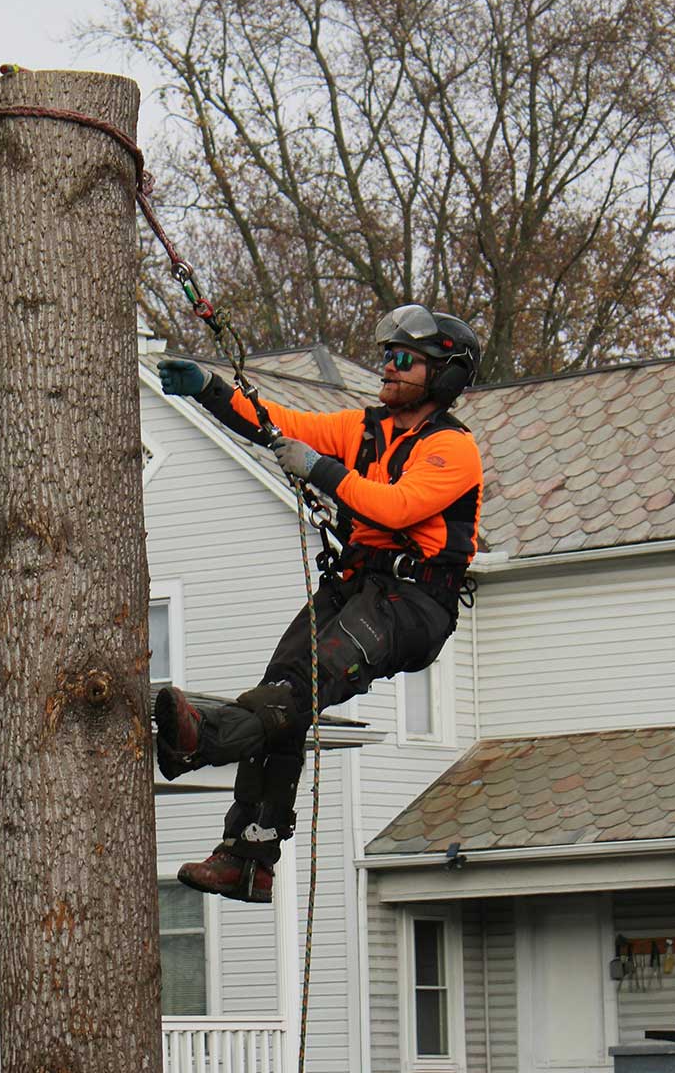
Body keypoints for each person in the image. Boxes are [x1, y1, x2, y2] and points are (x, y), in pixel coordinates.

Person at [152, 305, 485, 903]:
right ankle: (248, 857)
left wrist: (321, 470)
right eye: (387, 356)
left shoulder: (453, 449)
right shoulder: (366, 429)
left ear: (443, 375)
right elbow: (279, 423)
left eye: (404, 359)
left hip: (413, 603)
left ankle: (207, 739)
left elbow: (396, 508)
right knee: (282, 694)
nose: (389, 366)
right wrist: (209, 388)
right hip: (355, 586)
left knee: (301, 687)